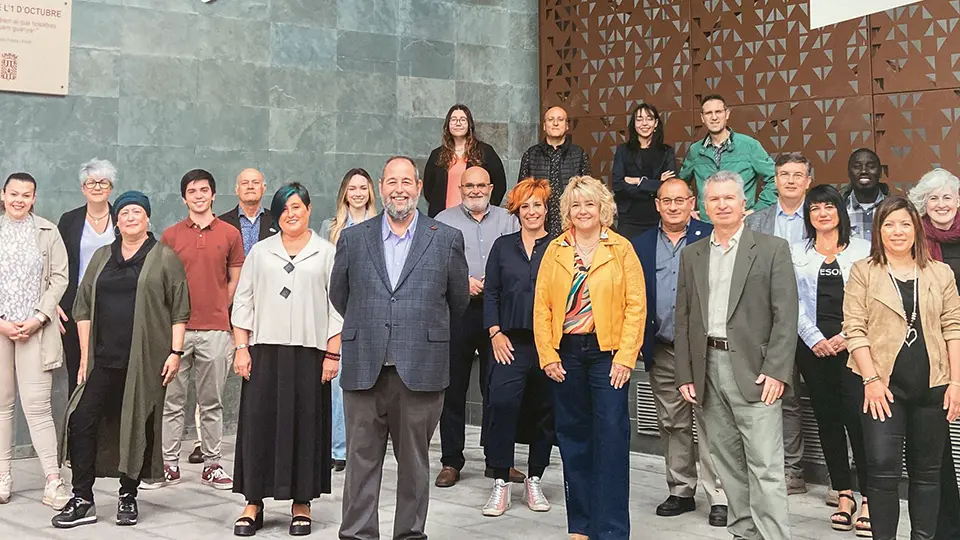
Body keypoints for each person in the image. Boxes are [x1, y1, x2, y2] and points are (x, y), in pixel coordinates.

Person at [331, 156, 469, 540]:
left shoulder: (444, 238)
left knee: (414, 464)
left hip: (420, 369)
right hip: (364, 366)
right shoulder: (354, 239)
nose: (399, 189)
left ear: (419, 187)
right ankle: (357, 534)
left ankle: (409, 534)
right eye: (392, 182)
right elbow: (339, 294)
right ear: (380, 186)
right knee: (360, 462)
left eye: (406, 181)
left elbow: (458, 301)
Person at [53, 191, 189, 528]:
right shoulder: (101, 257)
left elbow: (179, 309)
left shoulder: (164, 257)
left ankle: (128, 495)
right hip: (102, 359)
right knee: (81, 419)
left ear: (147, 219)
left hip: (145, 361)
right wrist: (85, 357)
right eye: (125, 212)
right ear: (117, 220)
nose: (130, 217)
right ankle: (83, 497)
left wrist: (175, 352)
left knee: (136, 426)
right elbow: (82, 307)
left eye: (137, 212)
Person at [674, 170, 798, 540]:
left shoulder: (772, 248)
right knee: (727, 463)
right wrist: (686, 374)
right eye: (715, 199)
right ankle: (744, 532)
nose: (723, 204)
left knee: (766, 465)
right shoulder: (693, 254)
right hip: (708, 369)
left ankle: (774, 535)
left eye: (730, 197)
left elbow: (786, 315)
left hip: (756, 371)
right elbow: (683, 318)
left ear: (744, 203)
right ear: (705, 207)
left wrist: (777, 370)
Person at [533, 175, 645, 540]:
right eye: (576, 205)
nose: (583, 211)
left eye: (590, 204)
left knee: (611, 440)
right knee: (573, 438)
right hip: (566, 354)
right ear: (568, 210)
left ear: (603, 209)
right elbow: (543, 307)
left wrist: (626, 357)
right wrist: (547, 354)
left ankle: (611, 530)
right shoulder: (556, 249)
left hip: (607, 355)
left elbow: (635, 306)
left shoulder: (621, 249)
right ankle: (580, 526)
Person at [843, 195, 960, 540]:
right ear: (878, 230)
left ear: (917, 229)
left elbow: (954, 326)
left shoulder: (939, 273)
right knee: (881, 470)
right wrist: (871, 379)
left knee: (928, 473)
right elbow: (854, 328)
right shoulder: (863, 271)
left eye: (905, 224)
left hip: (933, 386)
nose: (897, 231)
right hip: (882, 389)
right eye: (889, 224)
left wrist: (956, 382)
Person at [230, 183, 342, 537]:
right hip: (264, 351)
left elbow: (338, 307)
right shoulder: (261, 252)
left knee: (306, 426)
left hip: (310, 354)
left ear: (308, 209)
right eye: (284, 209)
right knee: (258, 423)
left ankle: (301, 502)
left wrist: (332, 354)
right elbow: (243, 301)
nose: (291, 214)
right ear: (276, 215)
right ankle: (253, 502)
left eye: (297, 207)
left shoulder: (326, 253)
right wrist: (241, 347)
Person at [631, 178, 726, 527]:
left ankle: (720, 495)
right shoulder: (639, 244)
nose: (673, 206)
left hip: (705, 348)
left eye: (680, 200)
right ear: (657, 204)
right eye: (666, 201)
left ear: (691, 203)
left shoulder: (710, 236)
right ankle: (681, 490)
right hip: (664, 347)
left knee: (711, 421)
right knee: (673, 422)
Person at [144, 169, 243, 493]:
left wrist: (220, 308)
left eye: (204, 190)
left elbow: (235, 278)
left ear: (213, 195)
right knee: (172, 400)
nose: (198, 195)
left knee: (211, 401)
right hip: (177, 331)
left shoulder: (229, 233)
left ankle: (212, 464)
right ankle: (168, 464)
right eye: (192, 191)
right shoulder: (171, 236)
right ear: (184, 197)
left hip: (215, 329)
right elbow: (160, 282)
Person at [790, 184, 872, 534]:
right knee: (827, 420)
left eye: (828, 206)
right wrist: (813, 338)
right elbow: (787, 299)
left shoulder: (863, 251)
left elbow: (872, 300)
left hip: (855, 347)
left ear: (840, 211)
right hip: (812, 348)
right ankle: (843, 492)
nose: (822, 213)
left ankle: (869, 496)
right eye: (815, 209)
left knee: (859, 418)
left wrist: (846, 336)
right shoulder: (795, 252)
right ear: (808, 216)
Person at [434, 166, 519, 488]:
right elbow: (434, 265)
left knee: (497, 387)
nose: (474, 190)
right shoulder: (443, 220)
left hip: (498, 312)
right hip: (458, 310)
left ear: (491, 187)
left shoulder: (508, 220)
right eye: (468, 185)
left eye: (481, 185)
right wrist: (460, 281)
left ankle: (497, 460)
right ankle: (451, 461)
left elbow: (516, 259)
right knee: (453, 388)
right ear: (460, 188)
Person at [480, 178, 556, 517]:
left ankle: (535, 479)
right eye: (525, 206)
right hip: (508, 342)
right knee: (501, 405)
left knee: (544, 412)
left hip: (548, 345)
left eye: (537, 204)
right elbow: (491, 292)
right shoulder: (502, 246)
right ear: (517, 210)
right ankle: (500, 482)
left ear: (545, 209)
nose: (531, 211)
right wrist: (495, 332)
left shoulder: (558, 247)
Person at [189, 167, 273, 466]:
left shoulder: (277, 222)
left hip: (269, 311)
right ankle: (203, 441)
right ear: (235, 189)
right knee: (213, 381)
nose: (250, 187)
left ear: (264, 187)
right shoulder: (219, 223)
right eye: (244, 183)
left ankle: (264, 439)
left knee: (265, 377)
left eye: (255, 183)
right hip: (224, 311)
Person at [0, 173, 70, 509]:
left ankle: (53, 480)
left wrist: (39, 317)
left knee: (38, 408)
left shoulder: (47, 231)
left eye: (26, 195)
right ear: (3, 195)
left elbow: (59, 277)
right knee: (1, 407)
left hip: (35, 329)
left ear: (34, 198)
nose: (19, 200)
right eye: (13, 193)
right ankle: (2, 477)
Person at [745, 152, 812, 496]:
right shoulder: (757, 221)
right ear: (774, 179)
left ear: (807, 181)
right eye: (784, 174)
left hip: (815, 322)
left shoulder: (820, 215)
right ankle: (789, 470)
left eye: (797, 175)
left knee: (831, 400)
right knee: (781, 395)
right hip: (772, 323)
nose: (790, 180)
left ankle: (843, 480)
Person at [908, 170, 960, 540]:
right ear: (923, 204)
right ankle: (948, 526)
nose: (941, 205)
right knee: (937, 441)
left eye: (948, 198)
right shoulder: (915, 242)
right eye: (933, 199)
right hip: (935, 348)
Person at [319, 168, 377, 473]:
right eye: (352, 188)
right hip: (341, 310)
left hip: (376, 312)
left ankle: (368, 443)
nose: (358, 193)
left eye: (363, 187)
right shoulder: (330, 228)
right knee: (339, 382)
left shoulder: (382, 225)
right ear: (345, 192)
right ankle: (338, 448)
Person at [57, 158, 117, 396]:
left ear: (111, 187)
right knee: (78, 370)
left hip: (115, 305)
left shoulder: (122, 218)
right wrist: (56, 304)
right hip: (75, 306)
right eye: (90, 182)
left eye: (103, 182)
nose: (97, 187)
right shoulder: (69, 220)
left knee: (110, 371)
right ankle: (77, 430)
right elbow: (56, 264)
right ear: (82, 188)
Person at [678, 94, 777, 222]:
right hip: (707, 226)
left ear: (727, 114)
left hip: (741, 224)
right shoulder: (696, 150)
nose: (714, 117)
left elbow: (776, 179)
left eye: (718, 112)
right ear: (702, 118)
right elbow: (681, 185)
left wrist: (756, 210)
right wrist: (688, 210)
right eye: (708, 113)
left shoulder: (749, 145)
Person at [517, 106, 591, 236]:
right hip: (539, 224)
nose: (555, 123)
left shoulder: (579, 154)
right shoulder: (531, 154)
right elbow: (522, 192)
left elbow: (587, 192)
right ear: (544, 126)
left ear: (567, 125)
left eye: (560, 119)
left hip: (571, 224)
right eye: (551, 119)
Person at [423, 104, 507, 217]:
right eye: (453, 120)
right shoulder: (436, 154)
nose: (458, 123)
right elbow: (428, 189)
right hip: (444, 217)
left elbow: (499, 185)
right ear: (448, 125)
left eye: (463, 120)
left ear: (469, 125)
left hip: (475, 216)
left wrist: (484, 209)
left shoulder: (485, 152)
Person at [612, 102, 678, 238]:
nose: (644, 123)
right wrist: (655, 184)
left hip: (658, 217)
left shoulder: (666, 152)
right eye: (639, 119)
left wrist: (640, 182)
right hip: (629, 219)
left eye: (649, 118)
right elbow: (618, 185)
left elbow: (669, 186)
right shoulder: (623, 150)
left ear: (655, 124)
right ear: (634, 124)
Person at [844, 148, 892, 241]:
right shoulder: (837, 209)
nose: (863, 171)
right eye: (857, 167)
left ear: (880, 172)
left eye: (871, 166)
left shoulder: (895, 208)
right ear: (849, 173)